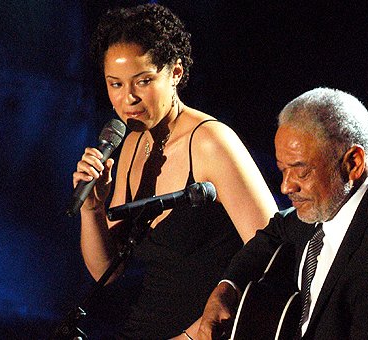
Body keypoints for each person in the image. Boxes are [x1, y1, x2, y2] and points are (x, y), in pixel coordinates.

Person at [72, 4, 278, 339]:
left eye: (144, 81)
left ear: (176, 73)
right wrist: (91, 209)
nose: (129, 99)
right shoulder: (132, 142)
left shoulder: (211, 142)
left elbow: (274, 252)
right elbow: (106, 273)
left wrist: (198, 333)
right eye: (115, 84)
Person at [198, 88, 368, 339]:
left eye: (301, 171)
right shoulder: (331, 201)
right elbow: (274, 232)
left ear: (353, 163)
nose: (286, 186)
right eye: (282, 169)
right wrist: (227, 288)